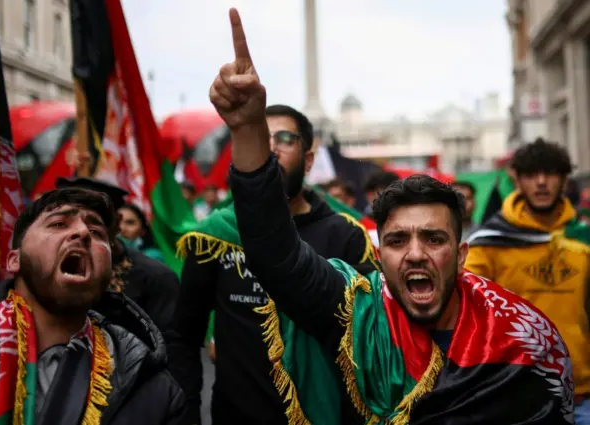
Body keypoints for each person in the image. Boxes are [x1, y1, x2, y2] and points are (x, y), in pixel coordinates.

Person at [206, 9, 574, 424]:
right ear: (379, 256)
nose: (415, 254)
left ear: (462, 253)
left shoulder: (519, 342)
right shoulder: (356, 317)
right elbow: (274, 251)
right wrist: (248, 129)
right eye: (398, 241)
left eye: (434, 239)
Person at [169, 103, 377, 425]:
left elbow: (367, 337)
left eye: (284, 139)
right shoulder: (216, 235)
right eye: (260, 138)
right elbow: (183, 335)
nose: (270, 149)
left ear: (308, 160)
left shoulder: (346, 236)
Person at [0, 187, 185, 424]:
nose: (83, 233)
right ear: (15, 260)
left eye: (96, 231)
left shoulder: (155, 394)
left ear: (109, 268)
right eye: (59, 224)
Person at [466, 138, 590, 423]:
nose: (542, 183)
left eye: (551, 174)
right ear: (517, 180)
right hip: (519, 390)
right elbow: (469, 317)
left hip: (583, 392)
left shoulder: (581, 238)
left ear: (564, 180)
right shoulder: (489, 244)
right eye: (532, 175)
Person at [56, 177, 179, 339]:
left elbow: (174, 348)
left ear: (116, 222)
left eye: (92, 221)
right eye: (67, 220)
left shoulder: (156, 277)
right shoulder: (41, 272)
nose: (80, 230)